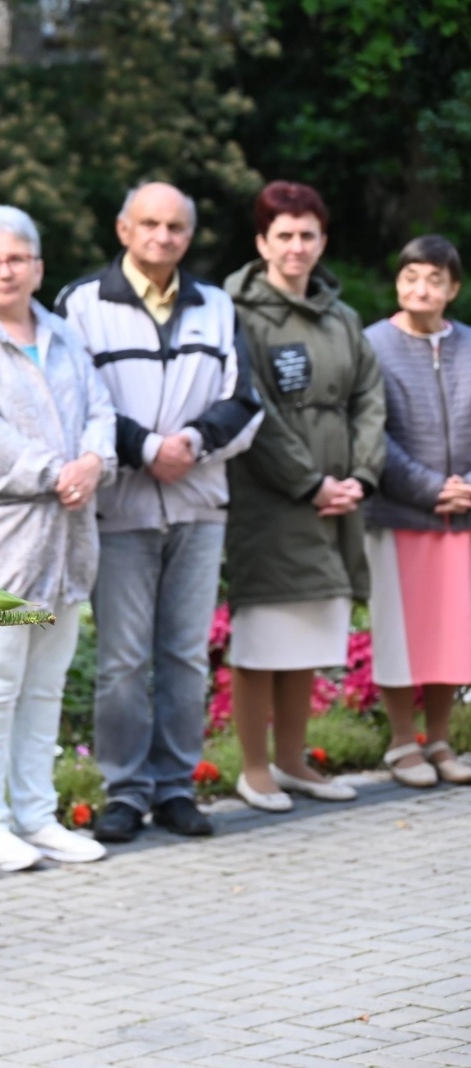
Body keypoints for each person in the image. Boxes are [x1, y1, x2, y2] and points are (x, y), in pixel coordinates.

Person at [55, 183, 262, 843]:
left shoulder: (218, 306)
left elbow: (245, 401)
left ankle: (175, 787)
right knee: (120, 660)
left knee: (185, 657)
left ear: (188, 236)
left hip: (201, 506)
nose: (162, 236)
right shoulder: (82, 304)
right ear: (123, 229)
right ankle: (125, 790)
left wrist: (192, 444)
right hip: (122, 510)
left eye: (175, 226)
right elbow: (72, 401)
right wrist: (146, 448)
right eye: (149, 223)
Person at [0, 205, 117, 872]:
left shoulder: (63, 334)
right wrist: (55, 471)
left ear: (38, 267)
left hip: (64, 541)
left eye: (15, 259)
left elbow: (100, 410)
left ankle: (38, 817)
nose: (3, 271)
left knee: (45, 686)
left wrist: (94, 462)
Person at [223, 181, 386, 811]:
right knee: (263, 640)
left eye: (307, 235)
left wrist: (359, 479)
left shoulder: (342, 317)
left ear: (323, 241)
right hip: (272, 500)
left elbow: (370, 397)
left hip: (340, 498)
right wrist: (310, 481)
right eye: (284, 235)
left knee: (310, 639)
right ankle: (256, 769)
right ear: (262, 242)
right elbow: (251, 407)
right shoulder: (236, 313)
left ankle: (295, 762)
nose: (296, 247)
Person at [362, 235, 471, 788]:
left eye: (433, 279)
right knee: (401, 634)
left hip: (464, 520)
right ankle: (403, 742)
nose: (419, 289)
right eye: (410, 277)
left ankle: (442, 738)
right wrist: (433, 489)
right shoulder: (373, 345)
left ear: (453, 288)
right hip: (401, 513)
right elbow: (372, 434)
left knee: (452, 633)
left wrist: (467, 489)